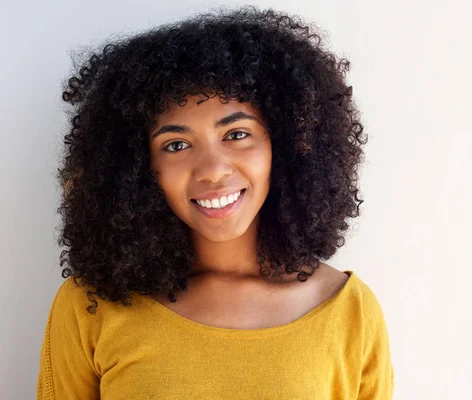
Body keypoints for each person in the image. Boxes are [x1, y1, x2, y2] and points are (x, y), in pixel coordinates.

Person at [37, 5, 394, 399]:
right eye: (176, 144)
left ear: (288, 144)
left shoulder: (349, 312)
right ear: (140, 167)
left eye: (237, 134)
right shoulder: (92, 306)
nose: (211, 169)